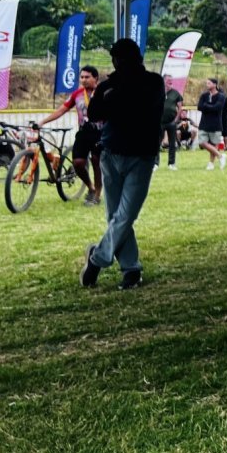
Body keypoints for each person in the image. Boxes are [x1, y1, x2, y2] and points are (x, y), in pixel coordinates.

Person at [81, 38, 164, 291]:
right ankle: (131, 269)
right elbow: (94, 114)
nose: (120, 63)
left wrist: (114, 99)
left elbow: (146, 110)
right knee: (114, 215)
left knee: (126, 214)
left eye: (124, 58)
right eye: (118, 59)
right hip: (111, 153)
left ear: (136, 58)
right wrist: (113, 97)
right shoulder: (108, 85)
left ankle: (97, 258)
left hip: (141, 155)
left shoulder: (153, 82)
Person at [38, 65, 103, 205]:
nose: (84, 80)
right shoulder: (77, 94)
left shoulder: (103, 93)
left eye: (87, 77)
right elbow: (61, 110)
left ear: (95, 78)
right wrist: (43, 122)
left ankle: (97, 194)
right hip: (84, 132)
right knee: (78, 163)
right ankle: (90, 187)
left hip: (100, 132)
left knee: (96, 162)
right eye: (82, 77)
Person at [195, 77, 227, 170]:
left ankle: (211, 164)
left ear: (214, 84)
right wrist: (210, 107)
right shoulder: (204, 95)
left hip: (215, 124)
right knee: (202, 142)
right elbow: (199, 107)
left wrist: (206, 106)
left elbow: (217, 108)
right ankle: (220, 156)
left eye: (209, 83)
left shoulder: (221, 96)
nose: (207, 85)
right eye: (207, 83)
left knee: (214, 144)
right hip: (204, 123)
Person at [156, 76, 184, 171]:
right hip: (159, 122)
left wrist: (176, 119)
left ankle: (171, 164)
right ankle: (155, 164)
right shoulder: (157, 92)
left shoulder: (175, 93)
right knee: (156, 143)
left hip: (171, 122)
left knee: (172, 143)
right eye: (168, 80)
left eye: (171, 80)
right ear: (163, 81)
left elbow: (180, 107)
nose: (170, 82)